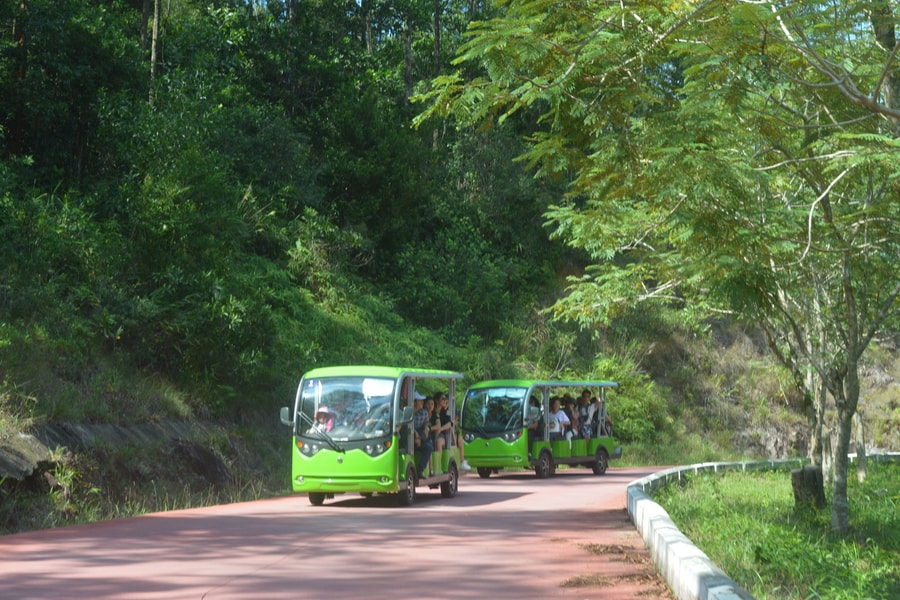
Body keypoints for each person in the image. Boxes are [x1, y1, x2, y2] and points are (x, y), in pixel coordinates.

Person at [413, 393, 433, 477]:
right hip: (410, 433)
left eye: (422, 401)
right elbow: (406, 425)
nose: (422, 402)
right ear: (414, 402)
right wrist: (416, 435)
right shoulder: (407, 412)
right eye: (419, 401)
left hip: (420, 433)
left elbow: (426, 424)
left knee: (428, 447)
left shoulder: (424, 412)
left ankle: (420, 470)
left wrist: (426, 428)